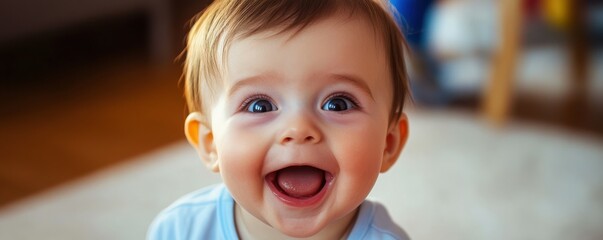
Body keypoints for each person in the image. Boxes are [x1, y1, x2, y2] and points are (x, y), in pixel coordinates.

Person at [148, 0, 411, 239]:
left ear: (388, 143)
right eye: (260, 106)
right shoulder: (180, 231)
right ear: (211, 143)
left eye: (337, 103)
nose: (298, 128)